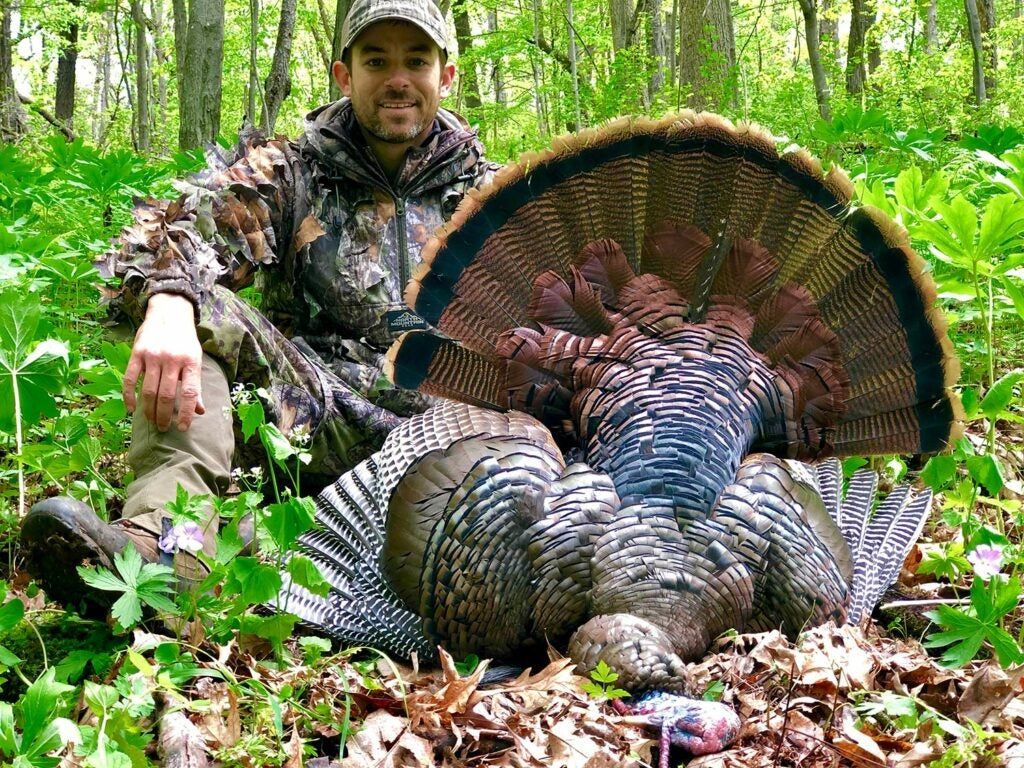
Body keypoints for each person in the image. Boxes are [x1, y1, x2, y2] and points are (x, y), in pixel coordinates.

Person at [20, 0, 500, 608]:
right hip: (315, 415)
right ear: (344, 76)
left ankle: (263, 545)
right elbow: (170, 230)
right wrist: (170, 303)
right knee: (200, 310)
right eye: (376, 60)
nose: (398, 78)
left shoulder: (498, 195)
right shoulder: (293, 172)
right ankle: (168, 548)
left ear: (445, 76)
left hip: (454, 442)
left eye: (417, 59)